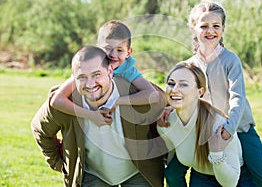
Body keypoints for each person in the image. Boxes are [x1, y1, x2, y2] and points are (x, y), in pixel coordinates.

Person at [160, 0, 262, 187]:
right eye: (204, 26)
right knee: (173, 174)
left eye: (216, 26)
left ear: (222, 29)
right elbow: (180, 93)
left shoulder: (230, 60)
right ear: (193, 29)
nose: (210, 31)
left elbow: (237, 97)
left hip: (239, 128)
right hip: (202, 129)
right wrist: (169, 108)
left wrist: (229, 129)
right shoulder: (189, 65)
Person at [31, 45, 167, 186]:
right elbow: (40, 129)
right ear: (73, 78)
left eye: (96, 75)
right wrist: (60, 164)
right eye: (82, 77)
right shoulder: (65, 103)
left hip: (138, 172)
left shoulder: (134, 93)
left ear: (110, 71)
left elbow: (167, 104)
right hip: (93, 175)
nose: (90, 84)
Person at [157, 62, 256, 186]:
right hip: (201, 175)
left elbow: (230, 183)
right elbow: (174, 157)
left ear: (200, 91)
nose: (174, 90)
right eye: (171, 84)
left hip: (236, 177)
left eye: (183, 85)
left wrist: (216, 152)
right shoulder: (166, 124)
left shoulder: (219, 126)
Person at [50, 20, 160, 127]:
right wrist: (91, 116)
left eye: (119, 50)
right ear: (98, 47)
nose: (113, 54)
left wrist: (117, 101)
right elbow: (57, 100)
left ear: (128, 52)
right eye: (108, 48)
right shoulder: (88, 67)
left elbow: (153, 95)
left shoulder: (127, 69)